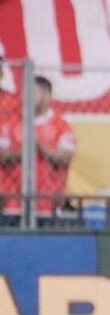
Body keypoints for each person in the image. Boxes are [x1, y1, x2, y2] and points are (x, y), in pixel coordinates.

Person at [0, 76, 77, 221]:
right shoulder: (10, 122)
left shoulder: (60, 125)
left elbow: (65, 157)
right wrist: (24, 151)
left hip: (48, 202)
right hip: (12, 202)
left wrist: (40, 146)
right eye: (24, 92)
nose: (27, 97)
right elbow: (2, 154)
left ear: (47, 96)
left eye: (33, 92)